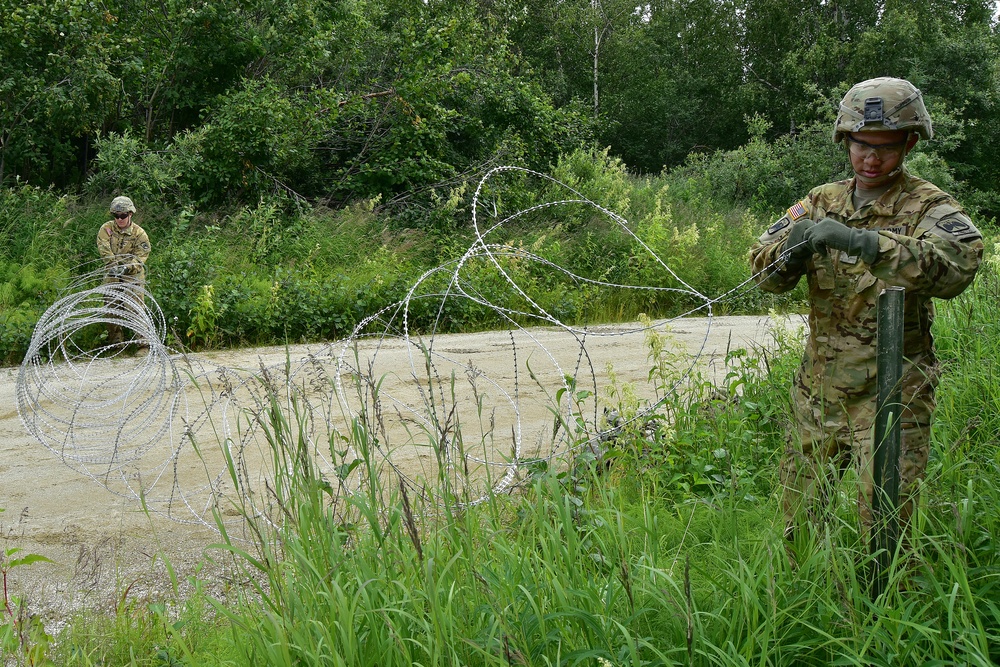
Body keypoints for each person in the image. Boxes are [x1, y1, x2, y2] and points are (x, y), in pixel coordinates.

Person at [749, 77, 984, 540]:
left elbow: (958, 266)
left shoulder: (928, 206)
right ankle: (799, 602)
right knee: (799, 525)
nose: (871, 159)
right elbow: (762, 271)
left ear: (909, 142)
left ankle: (882, 610)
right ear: (846, 140)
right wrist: (787, 255)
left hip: (892, 393)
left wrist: (866, 243)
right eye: (861, 145)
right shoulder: (821, 202)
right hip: (818, 392)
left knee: (886, 530)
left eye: (886, 147)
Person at [97, 195, 151, 350]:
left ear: (130, 214)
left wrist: (127, 267)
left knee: (134, 308)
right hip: (112, 275)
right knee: (112, 309)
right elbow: (104, 249)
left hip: (132, 276)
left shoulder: (139, 234)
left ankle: (143, 344)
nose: (119, 219)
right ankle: (116, 345)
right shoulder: (106, 230)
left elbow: (141, 257)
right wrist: (113, 266)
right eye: (116, 216)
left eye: (123, 216)